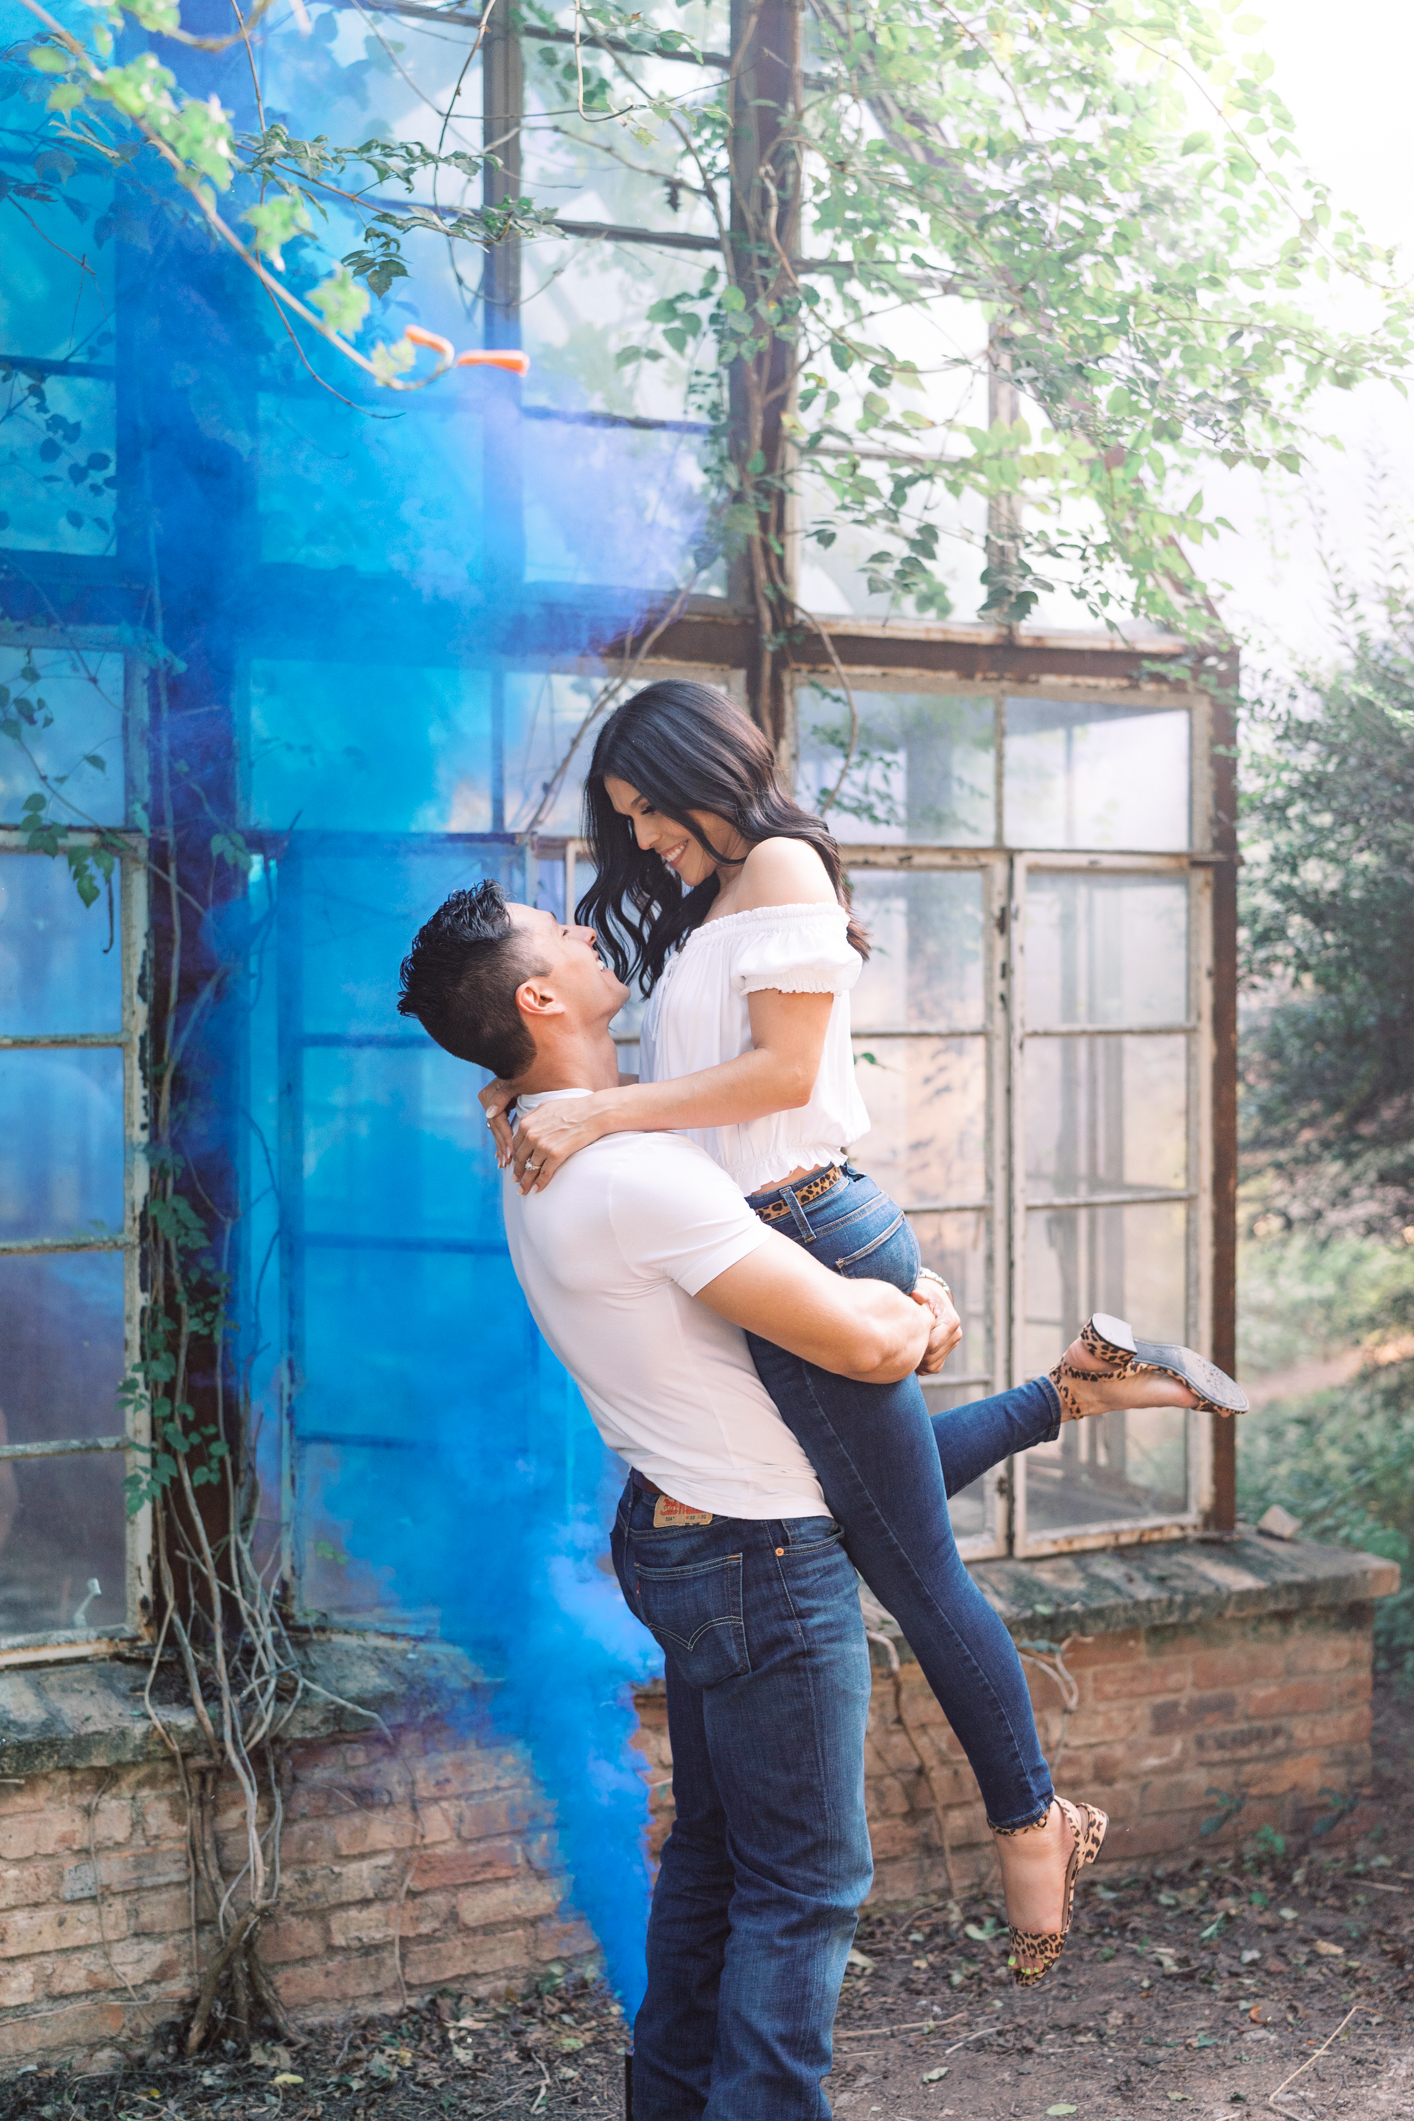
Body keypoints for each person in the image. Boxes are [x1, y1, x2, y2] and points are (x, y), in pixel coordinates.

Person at [479, 679, 1247, 1980]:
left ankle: (1031, 1821)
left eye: (649, 812)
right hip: (776, 1227)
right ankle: (1075, 1390)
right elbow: (675, 1073)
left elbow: (782, 1078)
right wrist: (520, 1090)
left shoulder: (777, 862)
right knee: (845, 1501)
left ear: (702, 772)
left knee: (907, 1561)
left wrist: (599, 1116)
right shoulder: (710, 896)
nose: (645, 841)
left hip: (807, 1219)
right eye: (627, 823)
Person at [397, 881, 945, 2118]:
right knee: (804, 1889)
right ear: (540, 997)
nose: (596, 935)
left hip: (681, 1533)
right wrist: (916, 1312)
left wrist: (893, 1318)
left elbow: (851, 1328)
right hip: (757, 1556)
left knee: (711, 1860)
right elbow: (861, 1351)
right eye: (567, 935)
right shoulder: (632, 1173)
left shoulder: (542, 1141)